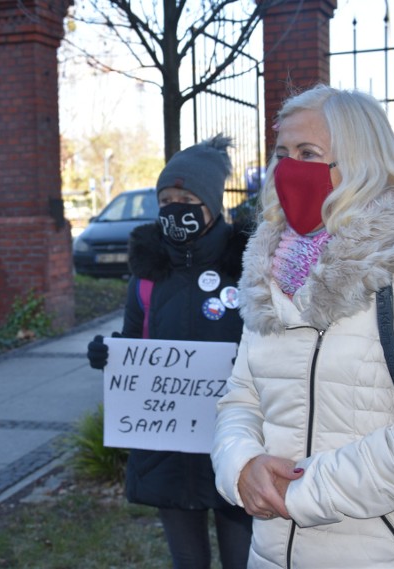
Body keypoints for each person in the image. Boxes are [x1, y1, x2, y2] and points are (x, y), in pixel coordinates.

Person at [211, 85, 394, 568]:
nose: (289, 168)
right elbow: (241, 398)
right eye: (282, 154)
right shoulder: (269, 273)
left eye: (309, 153)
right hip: (272, 554)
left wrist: (299, 490)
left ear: (362, 162)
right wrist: (241, 468)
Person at [87, 134, 253, 569]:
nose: (174, 207)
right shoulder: (147, 275)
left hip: (235, 446)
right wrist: (109, 354)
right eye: (166, 198)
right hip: (168, 450)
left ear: (213, 204)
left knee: (244, 560)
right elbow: (132, 341)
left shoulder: (249, 268)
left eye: (186, 197)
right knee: (187, 561)